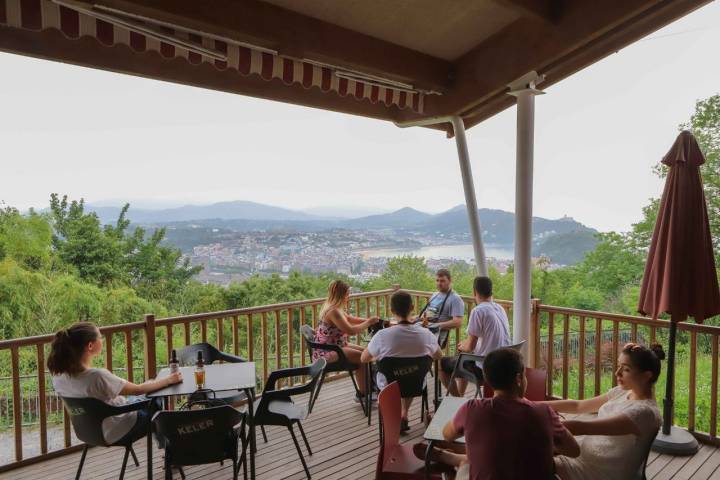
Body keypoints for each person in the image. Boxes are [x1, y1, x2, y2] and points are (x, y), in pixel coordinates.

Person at [417, 348, 579, 479]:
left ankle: (450, 457)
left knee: (476, 462)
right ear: (518, 379)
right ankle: (452, 457)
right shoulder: (543, 413)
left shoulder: (472, 408)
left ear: (487, 378)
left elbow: (447, 434)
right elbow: (574, 451)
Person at [48, 322, 183, 445]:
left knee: (148, 392)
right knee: (157, 400)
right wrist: (169, 380)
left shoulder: (58, 378)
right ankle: (171, 450)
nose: (102, 340)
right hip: (118, 429)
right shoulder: (96, 376)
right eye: (100, 337)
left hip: (89, 432)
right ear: (90, 346)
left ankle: (167, 446)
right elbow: (138, 390)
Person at [547, 343, 664, 480]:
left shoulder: (644, 413)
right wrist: (533, 404)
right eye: (618, 366)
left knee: (534, 457)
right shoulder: (623, 391)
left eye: (626, 369)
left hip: (598, 471)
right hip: (587, 454)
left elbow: (580, 427)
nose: (617, 372)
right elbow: (579, 406)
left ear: (646, 376)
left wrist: (539, 417)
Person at [361, 291, 442, 432]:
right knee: (409, 375)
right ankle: (404, 414)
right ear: (411, 308)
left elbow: (364, 358)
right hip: (415, 383)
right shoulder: (426, 335)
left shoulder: (382, 336)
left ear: (392, 311)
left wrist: (380, 357)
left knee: (388, 376)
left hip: (389, 385)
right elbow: (438, 355)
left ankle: (395, 417)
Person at [440, 276, 511, 396]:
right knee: (462, 356)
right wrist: (465, 346)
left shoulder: (478, 311)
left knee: (441, 364)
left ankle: (458, 400)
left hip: (486, 368)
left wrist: (463, 346)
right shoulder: (500, 308)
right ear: (490, 291)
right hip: (503, 364)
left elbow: (470, 347)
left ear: (474, 291)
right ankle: (461, 395)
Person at [312, 279, 379, 401]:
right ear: (341, 294)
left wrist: (371, 320)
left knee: (367, 352)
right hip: (328, 352)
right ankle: (363, 394)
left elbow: (350, 318)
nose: (348, 296)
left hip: (335, 346)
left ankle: (370, 386)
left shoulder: (334, 307)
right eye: (347, 293)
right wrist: (368, 323)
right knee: (361, 357)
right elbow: (351, 330)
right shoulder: (333, 311)